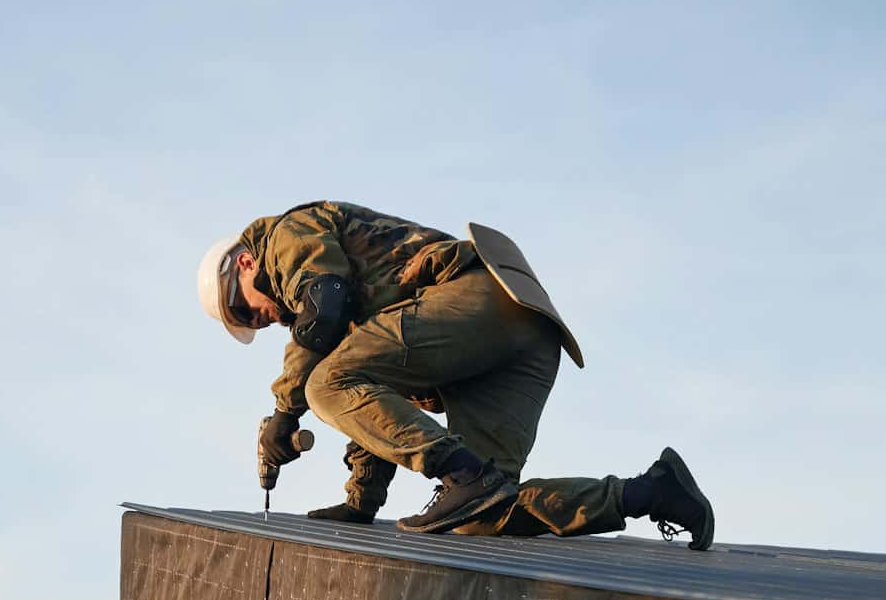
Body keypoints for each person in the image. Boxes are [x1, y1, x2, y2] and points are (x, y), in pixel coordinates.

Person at [197, 201, 713, 544]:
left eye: (243, 312)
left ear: (243, 264)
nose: (258, 323)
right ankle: (651, 492)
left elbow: (325, 301)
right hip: (524, 334)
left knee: (323, 383)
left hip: (479, 298)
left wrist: (283, 415)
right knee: (483, 517)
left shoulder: (288, 235)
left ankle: (461, 474)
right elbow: (381, 404)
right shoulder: (369, 335)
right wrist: (361, 502)